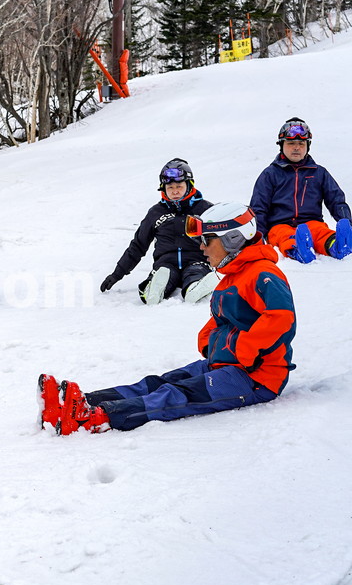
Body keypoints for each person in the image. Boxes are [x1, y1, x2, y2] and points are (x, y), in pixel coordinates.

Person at [41, 203, 295, 435]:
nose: (202, 247)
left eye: (207, 240)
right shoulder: (232, 277)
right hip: (226, 364)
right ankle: (82, 401)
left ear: (233, 239)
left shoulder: (263, 273)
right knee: (159, 382)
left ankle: (96, 417)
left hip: (256, 377)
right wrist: (208, 341)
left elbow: (281, 319)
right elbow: (221, 318)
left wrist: (244, 350)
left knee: (176, 395)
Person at [100, 158, 218, 304]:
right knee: (163, 274)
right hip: (166, 264)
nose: (175, 191)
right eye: (170, 188)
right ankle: (154, 290)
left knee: (195, 275)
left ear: (189, 185)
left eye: (179, 186)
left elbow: (222, 238)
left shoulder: (204, 210)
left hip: (197, 261)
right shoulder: (156, 213)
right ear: (163, 189)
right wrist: (116, 274)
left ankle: (198, 287)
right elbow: (138, 245)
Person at [249, 117, 352, 262]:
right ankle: (298, 250)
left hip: (311, 222)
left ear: (307, 146)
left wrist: (346, 221)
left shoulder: (319, 173)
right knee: (284, 236)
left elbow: (336, 200)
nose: (296, 147)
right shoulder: (270, 174)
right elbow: (259, 207)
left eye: (301, 143)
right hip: (279, 225)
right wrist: (258, 236)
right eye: (291, 143)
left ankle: (337, 246)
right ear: (282, 145)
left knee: (321, 233)